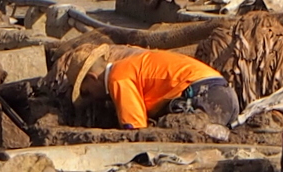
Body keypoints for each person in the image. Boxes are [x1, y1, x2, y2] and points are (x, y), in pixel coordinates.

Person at [74, 47, 238, 130]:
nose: (92, 98)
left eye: (86, 92)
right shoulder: (132, 65)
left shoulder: (119, 77)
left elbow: (134, 128)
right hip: (225, 94)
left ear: (92, 78)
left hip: (205, 96)